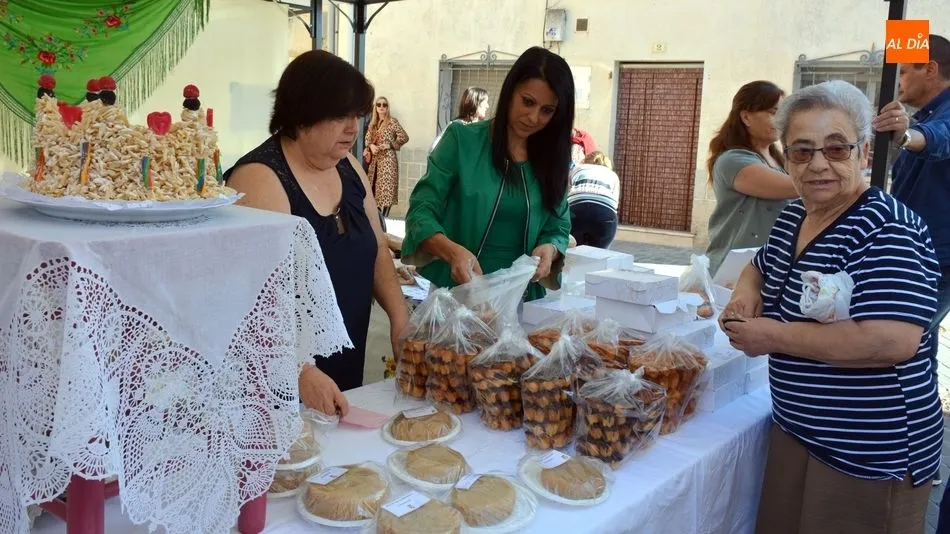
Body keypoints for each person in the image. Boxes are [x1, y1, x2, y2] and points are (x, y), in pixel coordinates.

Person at [721, 80, 941, 534]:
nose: (818, 164)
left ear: (863, 154)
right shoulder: (795, 215)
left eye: (837, 149)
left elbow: (892, 339)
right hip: (797, 430)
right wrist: (746, 296)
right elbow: (758, 267)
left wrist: (771, 335)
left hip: (867, 454)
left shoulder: (887, 229)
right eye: (802, 151)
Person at [224, 50, 409, 415]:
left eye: (357, 115)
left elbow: (376, 250)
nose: (354, 128)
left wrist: (400, 317)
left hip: (344, 364)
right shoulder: (259, 180)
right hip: (278, 383)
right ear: (304, 114)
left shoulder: (349, 167)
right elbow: (249, 304)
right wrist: (299, 370)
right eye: (341, 116)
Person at [401, 46, 574, 301]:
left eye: (547, 110)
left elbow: (558, 223)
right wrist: (451, 252)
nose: (534, 117)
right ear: (509, 92)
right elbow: (421, 210)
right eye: (528, 102)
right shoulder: (462, 141)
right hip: (458, 294)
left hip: (524, 298)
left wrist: (551, 248)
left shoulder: (553, 158)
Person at [875, 34, 950, 524]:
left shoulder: (934, 122)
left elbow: (938, 142)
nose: (900, 82)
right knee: (913, 347)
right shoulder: (923, 114)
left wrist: (905, 136)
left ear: (932, 68)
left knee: (909, 345)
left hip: (938, 259)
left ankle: (914, 459)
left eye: (906, 71)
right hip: (913, 250)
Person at [704, 81, 799, 277]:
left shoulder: (779, 159)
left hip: (771, 267)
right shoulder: (733, 160)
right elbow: (797, 187)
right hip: (735, 272)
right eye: (773, 112)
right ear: (746, 117)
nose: (782, 120)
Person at [363, 96, 409, 217]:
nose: (382, 107)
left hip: (388, 161)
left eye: (384, 105)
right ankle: (377, 218)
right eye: (379, 105)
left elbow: (404, 137)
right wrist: (371, 146)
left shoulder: (392, 121)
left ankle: (384, 219)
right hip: (375, 162)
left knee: (386, 190)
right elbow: (367, 139)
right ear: (375, 107)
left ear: (388, 107)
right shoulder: (373, 124)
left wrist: (389, 145)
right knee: (373, 189)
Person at [567, 151, 620, 248]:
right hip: (604, 215)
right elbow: (614, 204)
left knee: (572, 250)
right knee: (599, 254)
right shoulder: (613, 175)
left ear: (586, 160)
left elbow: (567, 194)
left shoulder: (577, 169)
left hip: (577, 210)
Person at [430, 86, 490, 153]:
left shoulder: (482, 128)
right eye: (485, 102)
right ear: (475, 103)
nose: (487, 106)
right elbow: (434, 148)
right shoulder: (456, 127)